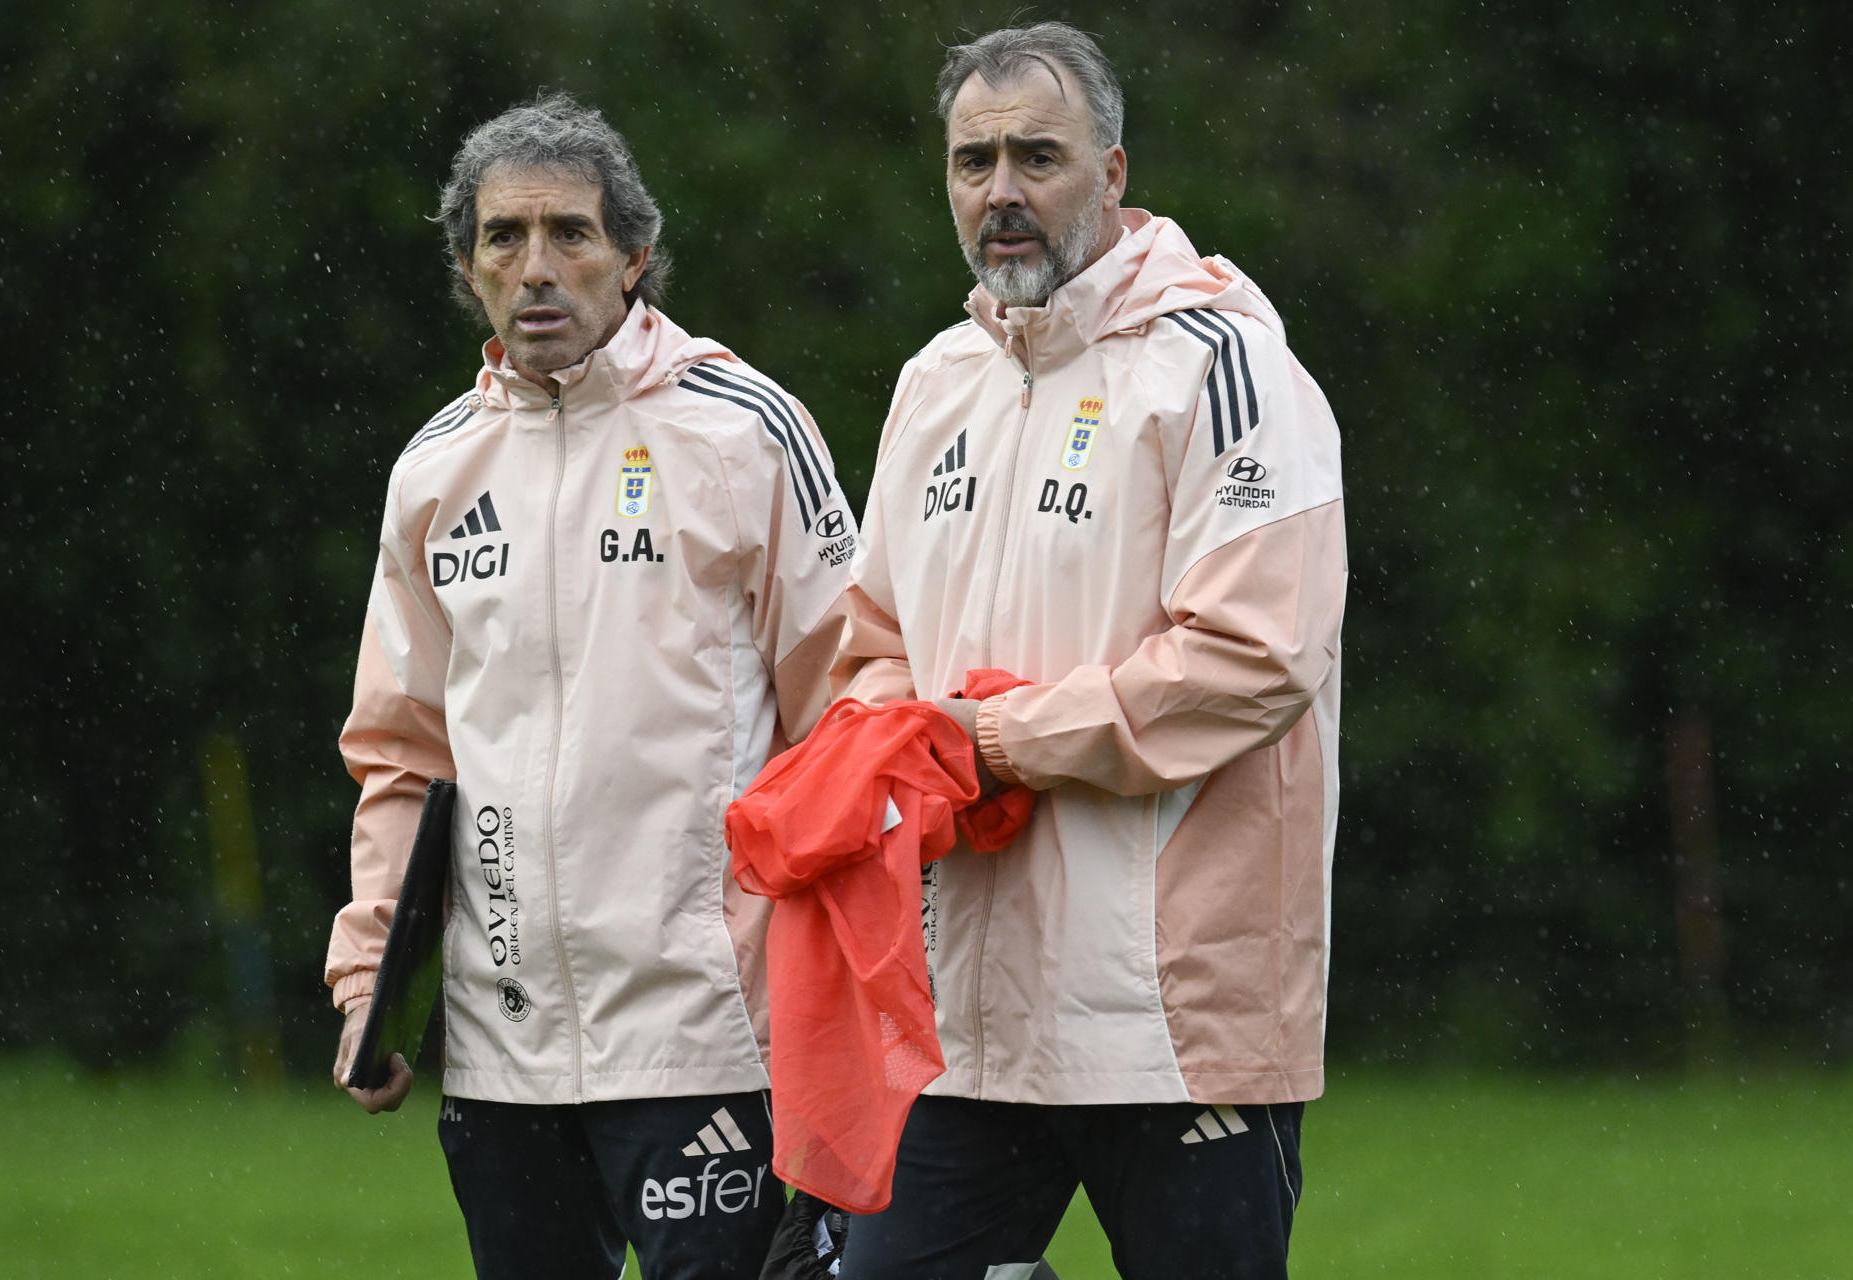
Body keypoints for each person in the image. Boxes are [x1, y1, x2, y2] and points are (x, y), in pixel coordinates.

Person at [830, 23, 1347, 1280]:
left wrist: (994, 742)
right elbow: (872, 648)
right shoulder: (935, 380)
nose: (1000, 191)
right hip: (965, 1013)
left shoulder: (1225, 364)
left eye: (1037, 157)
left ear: (1112, 173)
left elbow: (1255, 655)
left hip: (1168, 1018)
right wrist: (899, 743)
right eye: (972, 161)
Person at [323, 92, 859, 1279]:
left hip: (708, 1034)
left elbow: (853, 710)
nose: (537, 267)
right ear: (469, 269)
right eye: (503, 238)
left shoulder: (747, 432)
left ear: (635, 256)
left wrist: (843, 987)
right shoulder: (432, 470)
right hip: (501, 1045)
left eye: (571, 232)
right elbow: (401, 753)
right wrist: (371, 974)